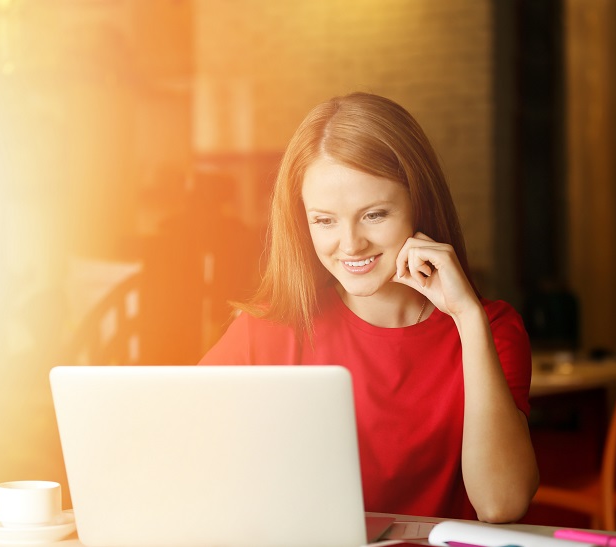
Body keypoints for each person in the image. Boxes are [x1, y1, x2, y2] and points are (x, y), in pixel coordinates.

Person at [199, 92, 539, 523]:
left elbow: (501, 503)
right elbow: (180, 460)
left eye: (374, 215)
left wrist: (466, 318)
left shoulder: (490, 327)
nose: (350, 244)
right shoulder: (267, 329)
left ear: (421, 204)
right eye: (324, 220)